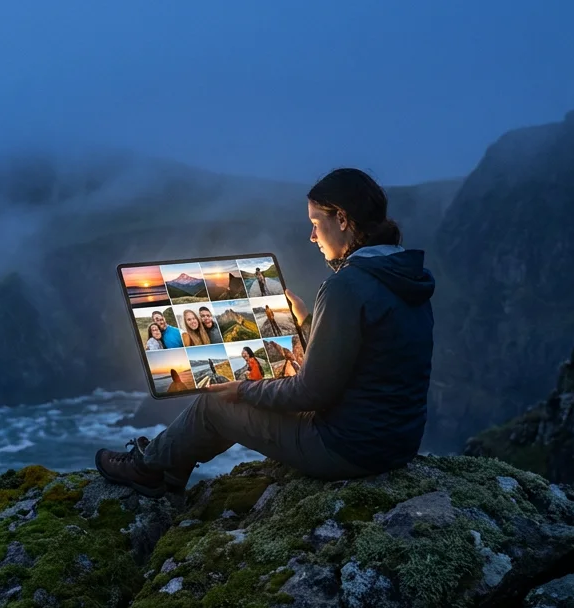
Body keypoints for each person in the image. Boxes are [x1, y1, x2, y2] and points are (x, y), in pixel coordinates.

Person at [97, 167, 435, 496]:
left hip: (347, 450)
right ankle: (170, 467)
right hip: (396, 445)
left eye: (316, 223)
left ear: (342, 220)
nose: (312, 236)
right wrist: (304, 322)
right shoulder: (404, 276)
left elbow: (311, 394)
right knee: (248, 392)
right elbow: (365, 360)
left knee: (214, 403)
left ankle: (149, 470)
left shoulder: (346, 286)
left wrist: (243, 389)